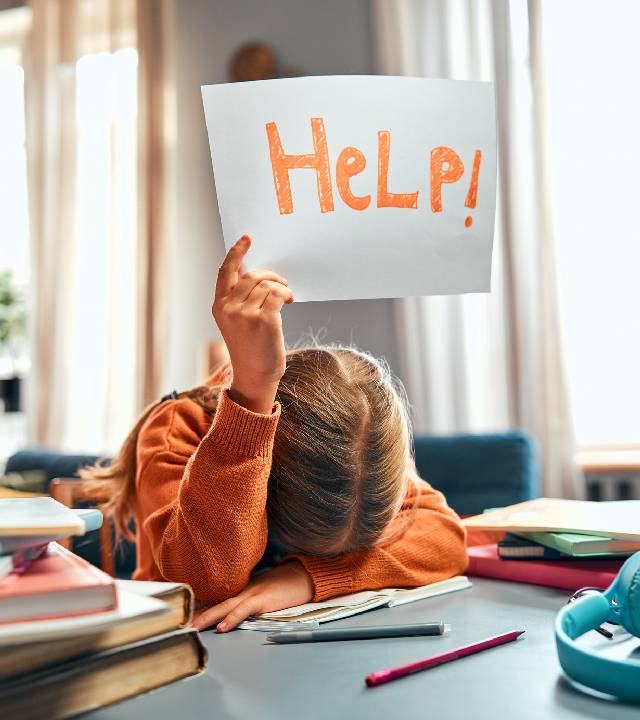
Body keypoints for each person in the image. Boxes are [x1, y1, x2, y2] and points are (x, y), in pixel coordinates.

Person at [82, 235, 467, 632]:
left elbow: (447, 542)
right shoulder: (177, 427)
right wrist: (251, 396)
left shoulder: (357, 443)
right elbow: (208, 580)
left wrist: (305, 578)